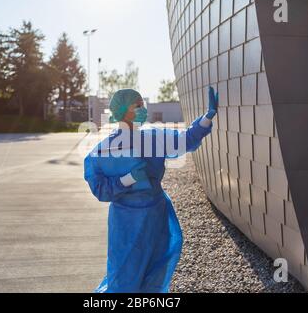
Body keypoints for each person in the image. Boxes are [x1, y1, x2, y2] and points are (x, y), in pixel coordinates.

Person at [84, 87, 219, 293]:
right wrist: (127, 179)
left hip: (157, 214)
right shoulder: (104, 150)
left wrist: (207, 118)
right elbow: (101, 189)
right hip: (126, 222)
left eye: (142, 105)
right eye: (137, 106)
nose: (142, 109)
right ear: (122, 111)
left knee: (156, 269)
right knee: (125, 272)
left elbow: (186, 140)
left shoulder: (154, 137)